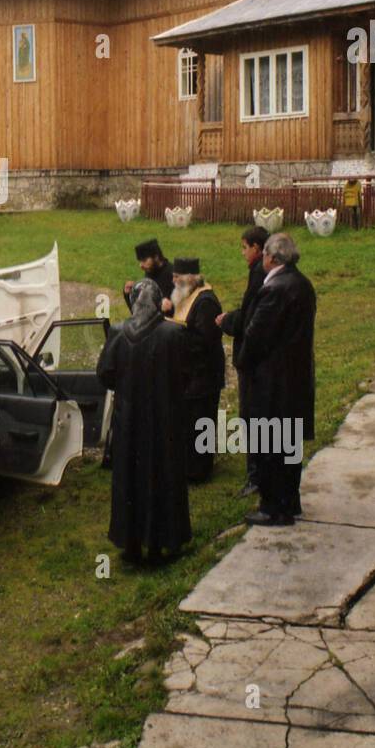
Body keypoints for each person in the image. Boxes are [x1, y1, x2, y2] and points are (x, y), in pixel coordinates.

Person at [98, 278, 192, 563]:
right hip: (165, 419)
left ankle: (131, 542)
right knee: (164, 475)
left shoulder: (117, 333)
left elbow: (105, 374)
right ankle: (164, 540)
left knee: (129, 479)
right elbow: (186, 375)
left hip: (129, 421)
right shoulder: (172, 334)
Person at [236, 233, 316, 527]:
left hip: (273, 382)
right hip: (296, 377)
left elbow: (255, 335)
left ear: (271, 257)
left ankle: (273, 508)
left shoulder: (275, 289)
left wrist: (243, 361)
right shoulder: (303, 284)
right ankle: (290, 501)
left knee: (270, 447)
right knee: (289, 447)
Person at [216, 225, 269, 497]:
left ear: (257, 249)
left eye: (244, 247)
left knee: (252, 416)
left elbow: (251, 318)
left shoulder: (260, 273)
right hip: (258, 360)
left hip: (252, 360)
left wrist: (227, 321)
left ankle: (255, 475)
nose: (242, 252)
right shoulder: (260, 272)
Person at [161, 258, 225, 483]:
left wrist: (173, 332)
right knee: (188, 423)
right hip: (189, 374)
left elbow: (204, 340)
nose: (173, 280)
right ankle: (188, 467)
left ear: (190, 278)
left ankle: (200, 471)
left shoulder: (205, 301)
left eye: (177, 276)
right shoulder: (186, 295)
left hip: (204, 374)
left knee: (201, 422)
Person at [123, 239, 174, 313]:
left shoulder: (173, 276)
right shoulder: (150, 272)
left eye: (144, 260)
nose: (140, 265)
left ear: (156, 257)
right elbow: (139, 315)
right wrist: (129, 295)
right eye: (140, 261)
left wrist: (169, 308)